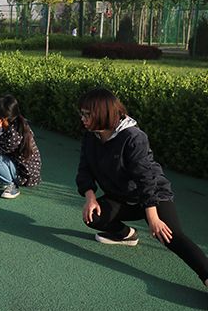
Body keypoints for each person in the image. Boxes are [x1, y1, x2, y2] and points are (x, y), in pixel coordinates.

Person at [76, 88, 208, 287]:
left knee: (170, 236)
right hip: (121, 196)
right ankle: (125, 235)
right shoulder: (90, 136)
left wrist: (153, 217)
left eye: (87, 114)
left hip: (153, 195)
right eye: (82, 114)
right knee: (93, 216)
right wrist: (90, 197)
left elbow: (145, 178)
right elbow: (84, 169)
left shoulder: (133, 137)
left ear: (102, 113)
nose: (83, 119)